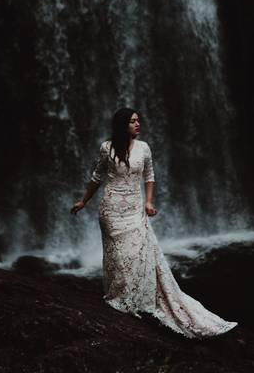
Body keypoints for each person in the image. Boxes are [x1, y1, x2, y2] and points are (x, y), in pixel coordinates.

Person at [70, 107, 237, 338]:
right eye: (132, 121)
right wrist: (83, 201)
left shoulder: (144, 148)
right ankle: (122, 298)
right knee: (118, 257)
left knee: (138, 254)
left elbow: (149, 176)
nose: (137, 124)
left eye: (138, 120)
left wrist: (148, 202)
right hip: (111, 209)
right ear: (122, 125)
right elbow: (97, 177)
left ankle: (138, 300)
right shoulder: (106, 148)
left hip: (135, 210)